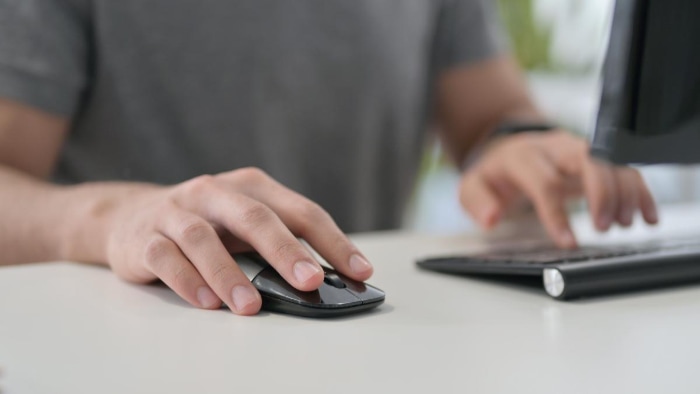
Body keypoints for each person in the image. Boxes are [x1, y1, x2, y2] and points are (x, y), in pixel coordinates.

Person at [0, 0, 657, 315]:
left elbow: (488, 115)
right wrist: (115, 217)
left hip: (372, 341)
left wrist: (520, 145)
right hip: (142, 338)